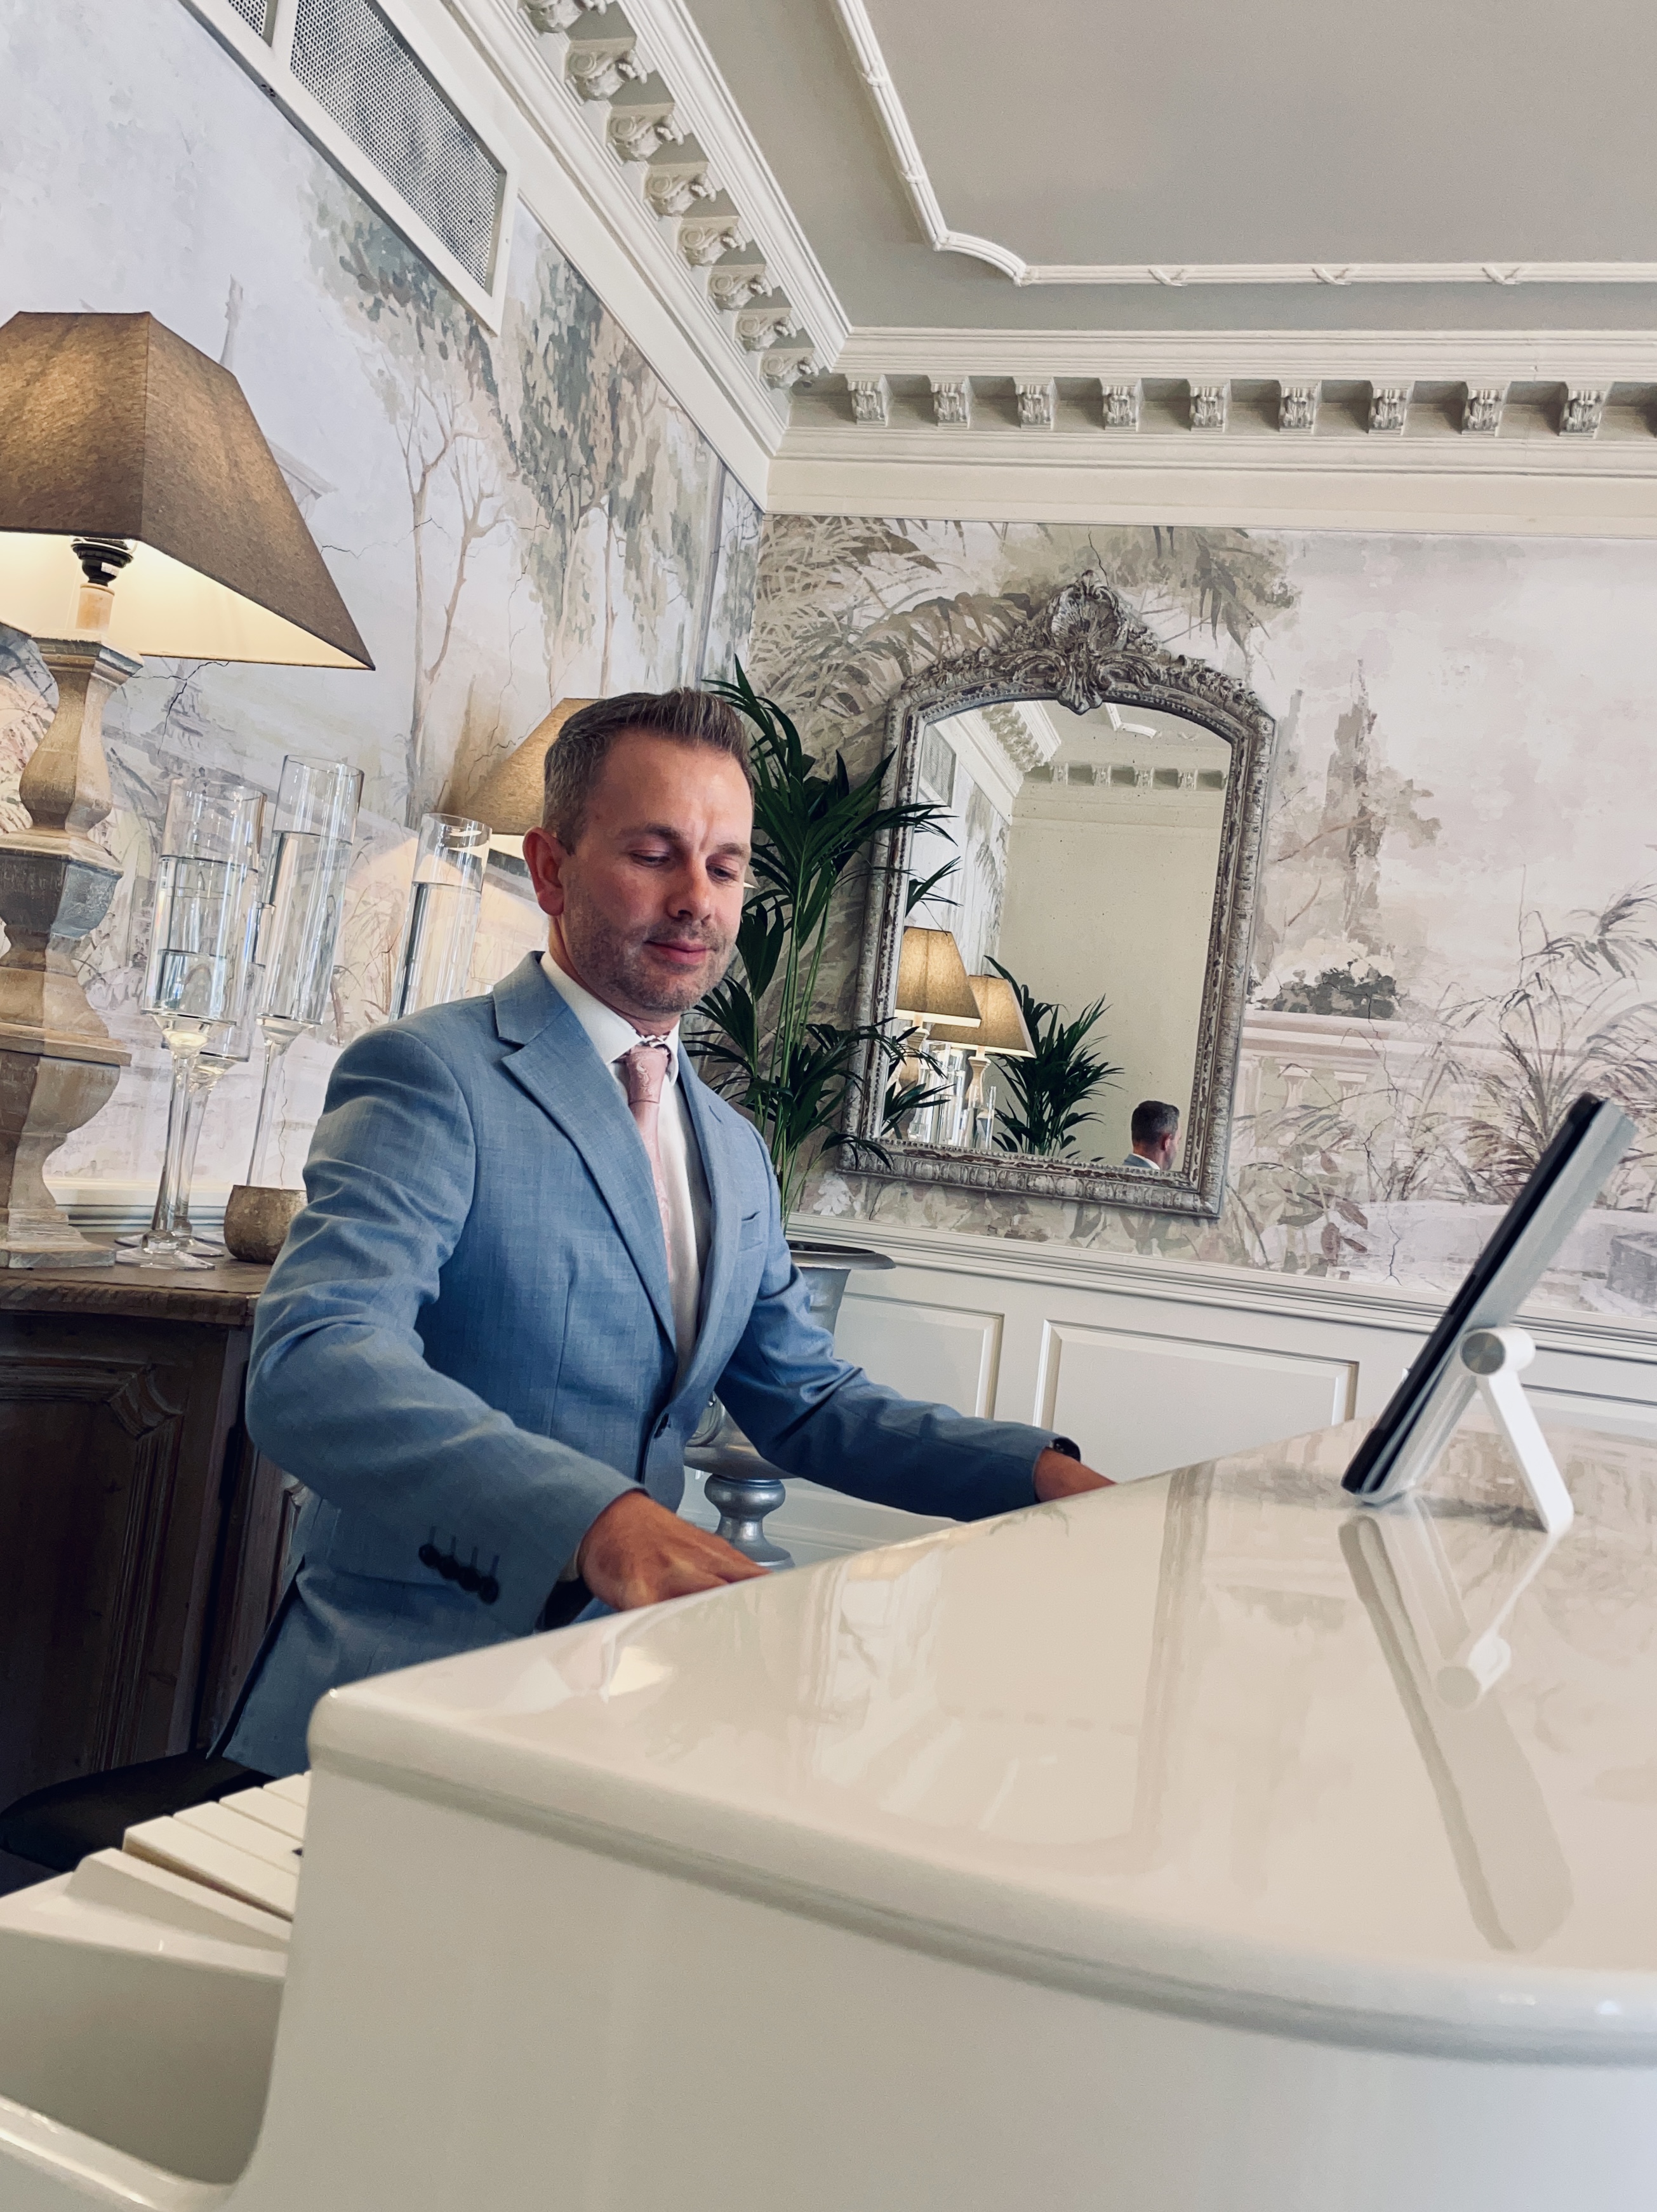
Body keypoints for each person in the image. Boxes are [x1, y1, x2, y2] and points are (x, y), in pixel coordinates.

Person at [224, 690, 1109, 1776]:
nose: (698, 899)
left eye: (727, 866)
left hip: (617, 1707)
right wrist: (596, 1516)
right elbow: (315, 1364)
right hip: (392, 1691)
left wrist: (1040, 1475)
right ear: (551, 868)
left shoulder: (733, 1147)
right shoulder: (429, 1073)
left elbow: (811, 1401)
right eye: (655, 854)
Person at [1124, 1098, 1180, 1171]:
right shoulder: (1154, 1182)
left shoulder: (1113, 1177)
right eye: (1178, 1141)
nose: (1178, 1149)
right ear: (1166, 1142)